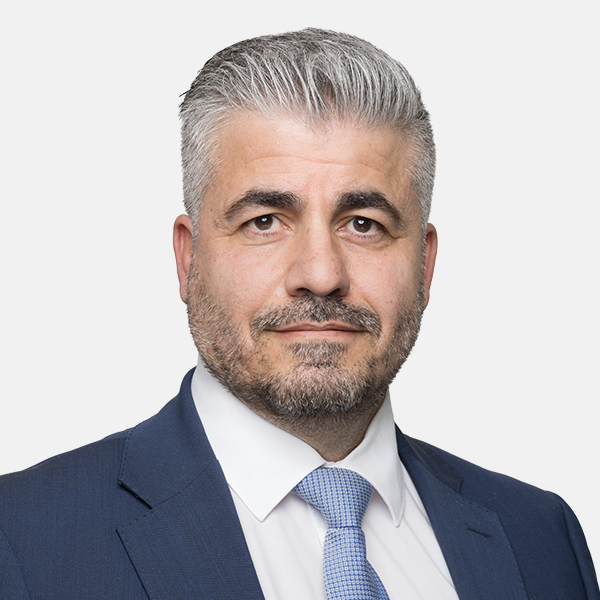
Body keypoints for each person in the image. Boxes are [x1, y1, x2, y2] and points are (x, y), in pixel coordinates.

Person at [0, 28, 597, 600]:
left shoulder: (542, 538)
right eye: (264, 222)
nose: (320, 273)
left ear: (425, 263)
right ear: (188, 258)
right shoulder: (22, 540)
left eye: (364, 224)